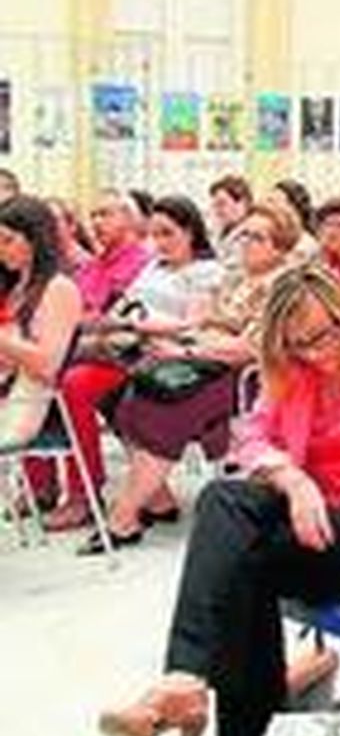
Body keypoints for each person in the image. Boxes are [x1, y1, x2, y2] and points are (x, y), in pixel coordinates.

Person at [97, 265, 340, 736]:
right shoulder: (294, 369)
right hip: (315, 523)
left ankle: (215, 716)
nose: (317, 352)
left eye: (324, 335)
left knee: (240, 568)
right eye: (300, 344)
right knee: (224, 504)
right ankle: (186, 681)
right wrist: (294, 479)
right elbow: (251, 437)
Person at [86, 204, 294, 554]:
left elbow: (252, 348)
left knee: (159, 408)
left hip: (241, 377)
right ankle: (155, 498)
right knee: (121, 394)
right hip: (206, 360)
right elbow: (202, 322)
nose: (245, 243)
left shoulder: (283, 286)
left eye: (257, 238)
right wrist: (178, 341)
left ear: (280, 246)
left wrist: (186, 351)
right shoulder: (238, 278)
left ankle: (123, 517)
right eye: (244, 235)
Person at [50, 195, 225, 534]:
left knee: (70, 373)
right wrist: (120, 323)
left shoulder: (205, 271)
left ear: (191, 232)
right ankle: (156, 498)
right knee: (63, 367)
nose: (159, 243)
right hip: (129, 345)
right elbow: (125, 307)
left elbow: (193, 325)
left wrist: (135, 325)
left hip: (163, 353)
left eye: (168, 234)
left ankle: (92, 493)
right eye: (155, 235)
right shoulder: (153, 266)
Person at [0, 196, 85, 470]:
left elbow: (48, 365)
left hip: (25, 402)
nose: (1, 250)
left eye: (7, 240)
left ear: (35, 239)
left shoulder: (59, 288)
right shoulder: (14, 288)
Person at [75, 188, 154, 318]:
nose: (96, 222)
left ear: (129, 219)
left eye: (105, 214)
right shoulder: (90, 264)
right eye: (93, 216)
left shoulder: (143, 262)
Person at [207, 174, 253, 270]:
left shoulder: (250, 235)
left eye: (222, 204)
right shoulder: (219, 231)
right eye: (214, 205)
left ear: (242, 203)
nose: (217, 211)